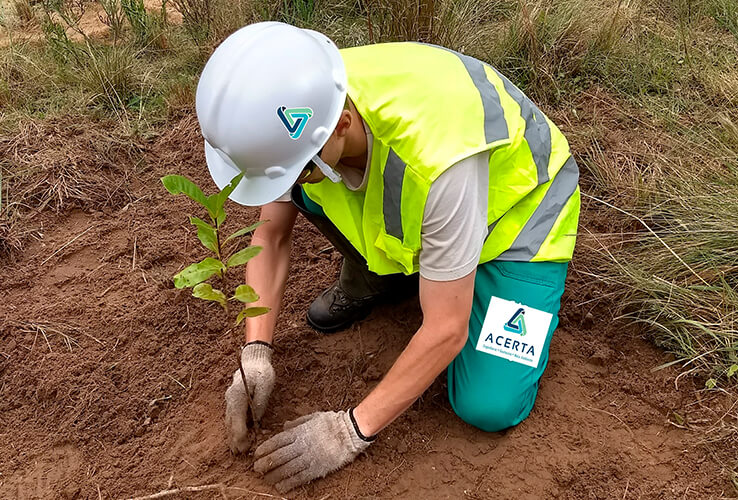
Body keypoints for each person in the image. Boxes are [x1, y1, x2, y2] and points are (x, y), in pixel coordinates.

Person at [196, 22, 580, 494]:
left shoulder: (437, 162)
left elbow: (446, 329)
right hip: (428, 206)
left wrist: (348, 431)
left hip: (518, 217)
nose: (291, 185)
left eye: (297, 171)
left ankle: (468, 280)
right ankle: (401, 274)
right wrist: (256, 352)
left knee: (488, 404)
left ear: (341, 124)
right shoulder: (305, 100)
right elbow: (270, 237)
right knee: (315, 190)